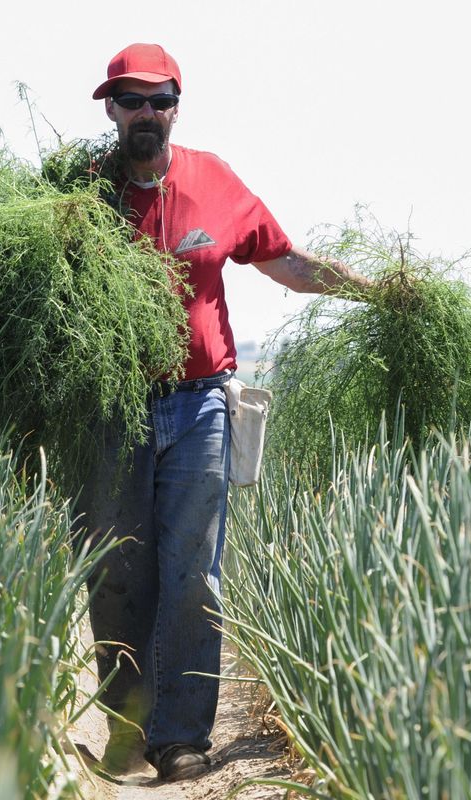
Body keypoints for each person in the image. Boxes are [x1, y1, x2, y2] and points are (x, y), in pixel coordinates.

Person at [74, 42, 372, 782]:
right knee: (116, 574)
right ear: (110, 108)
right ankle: (125, 723)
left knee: (194, 574)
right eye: (132, 99)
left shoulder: (215, 181)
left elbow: (289, 264)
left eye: (160, 99)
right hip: (111, 409)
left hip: (203, 402)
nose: (147, 112)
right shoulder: (79, 195)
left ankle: (178, 738)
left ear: (178, 106)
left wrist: (376, 291)